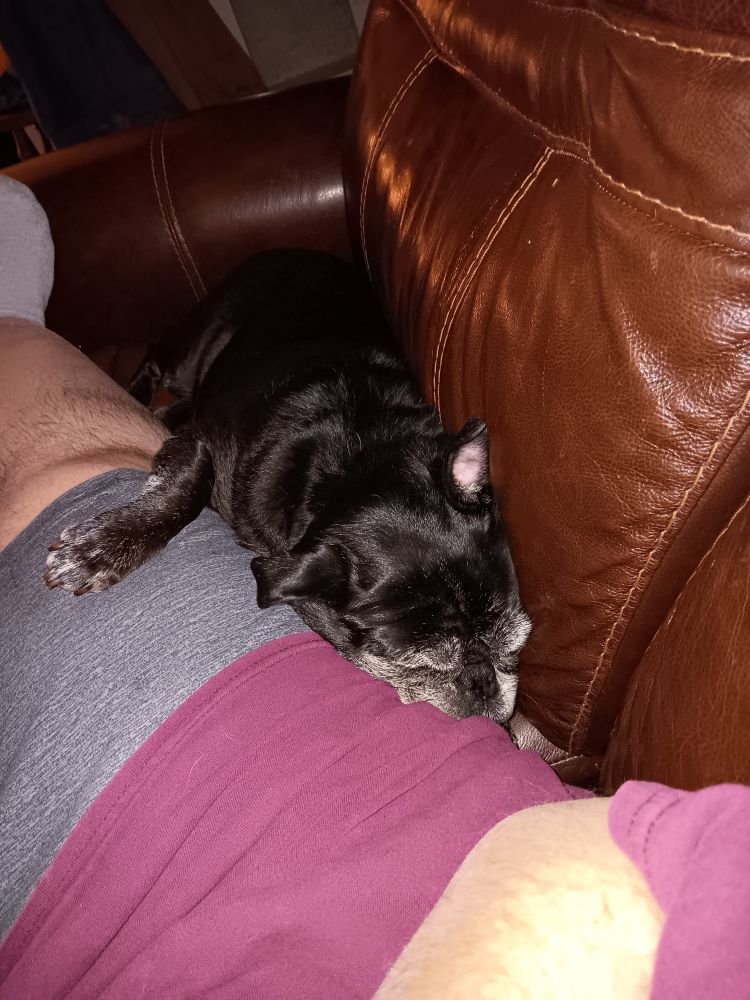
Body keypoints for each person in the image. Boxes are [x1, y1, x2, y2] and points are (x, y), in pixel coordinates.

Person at [0, 176, 746, 999]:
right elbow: (208, 453)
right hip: (270, 309)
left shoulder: (454, 490)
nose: (488, 690)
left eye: (503, 645)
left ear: (474, 487)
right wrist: (154, 519)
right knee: (166, 380)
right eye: (433, 658)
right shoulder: (281, 505)